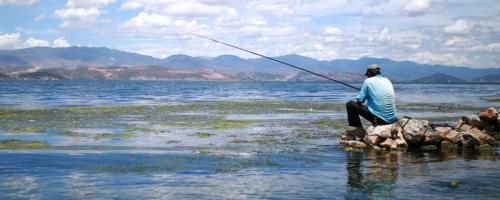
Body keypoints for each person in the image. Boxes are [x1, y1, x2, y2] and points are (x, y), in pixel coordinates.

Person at [342, 64, 397, 140]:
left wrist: (365, 96)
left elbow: (360, 100)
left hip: (380, 120)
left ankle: (359, 129)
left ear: (370, 73)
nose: (367, 76)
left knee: (350, 104)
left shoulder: (368, 81)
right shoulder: (387, 80)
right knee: (375, 108)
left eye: (367, 75)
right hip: (392, 120)